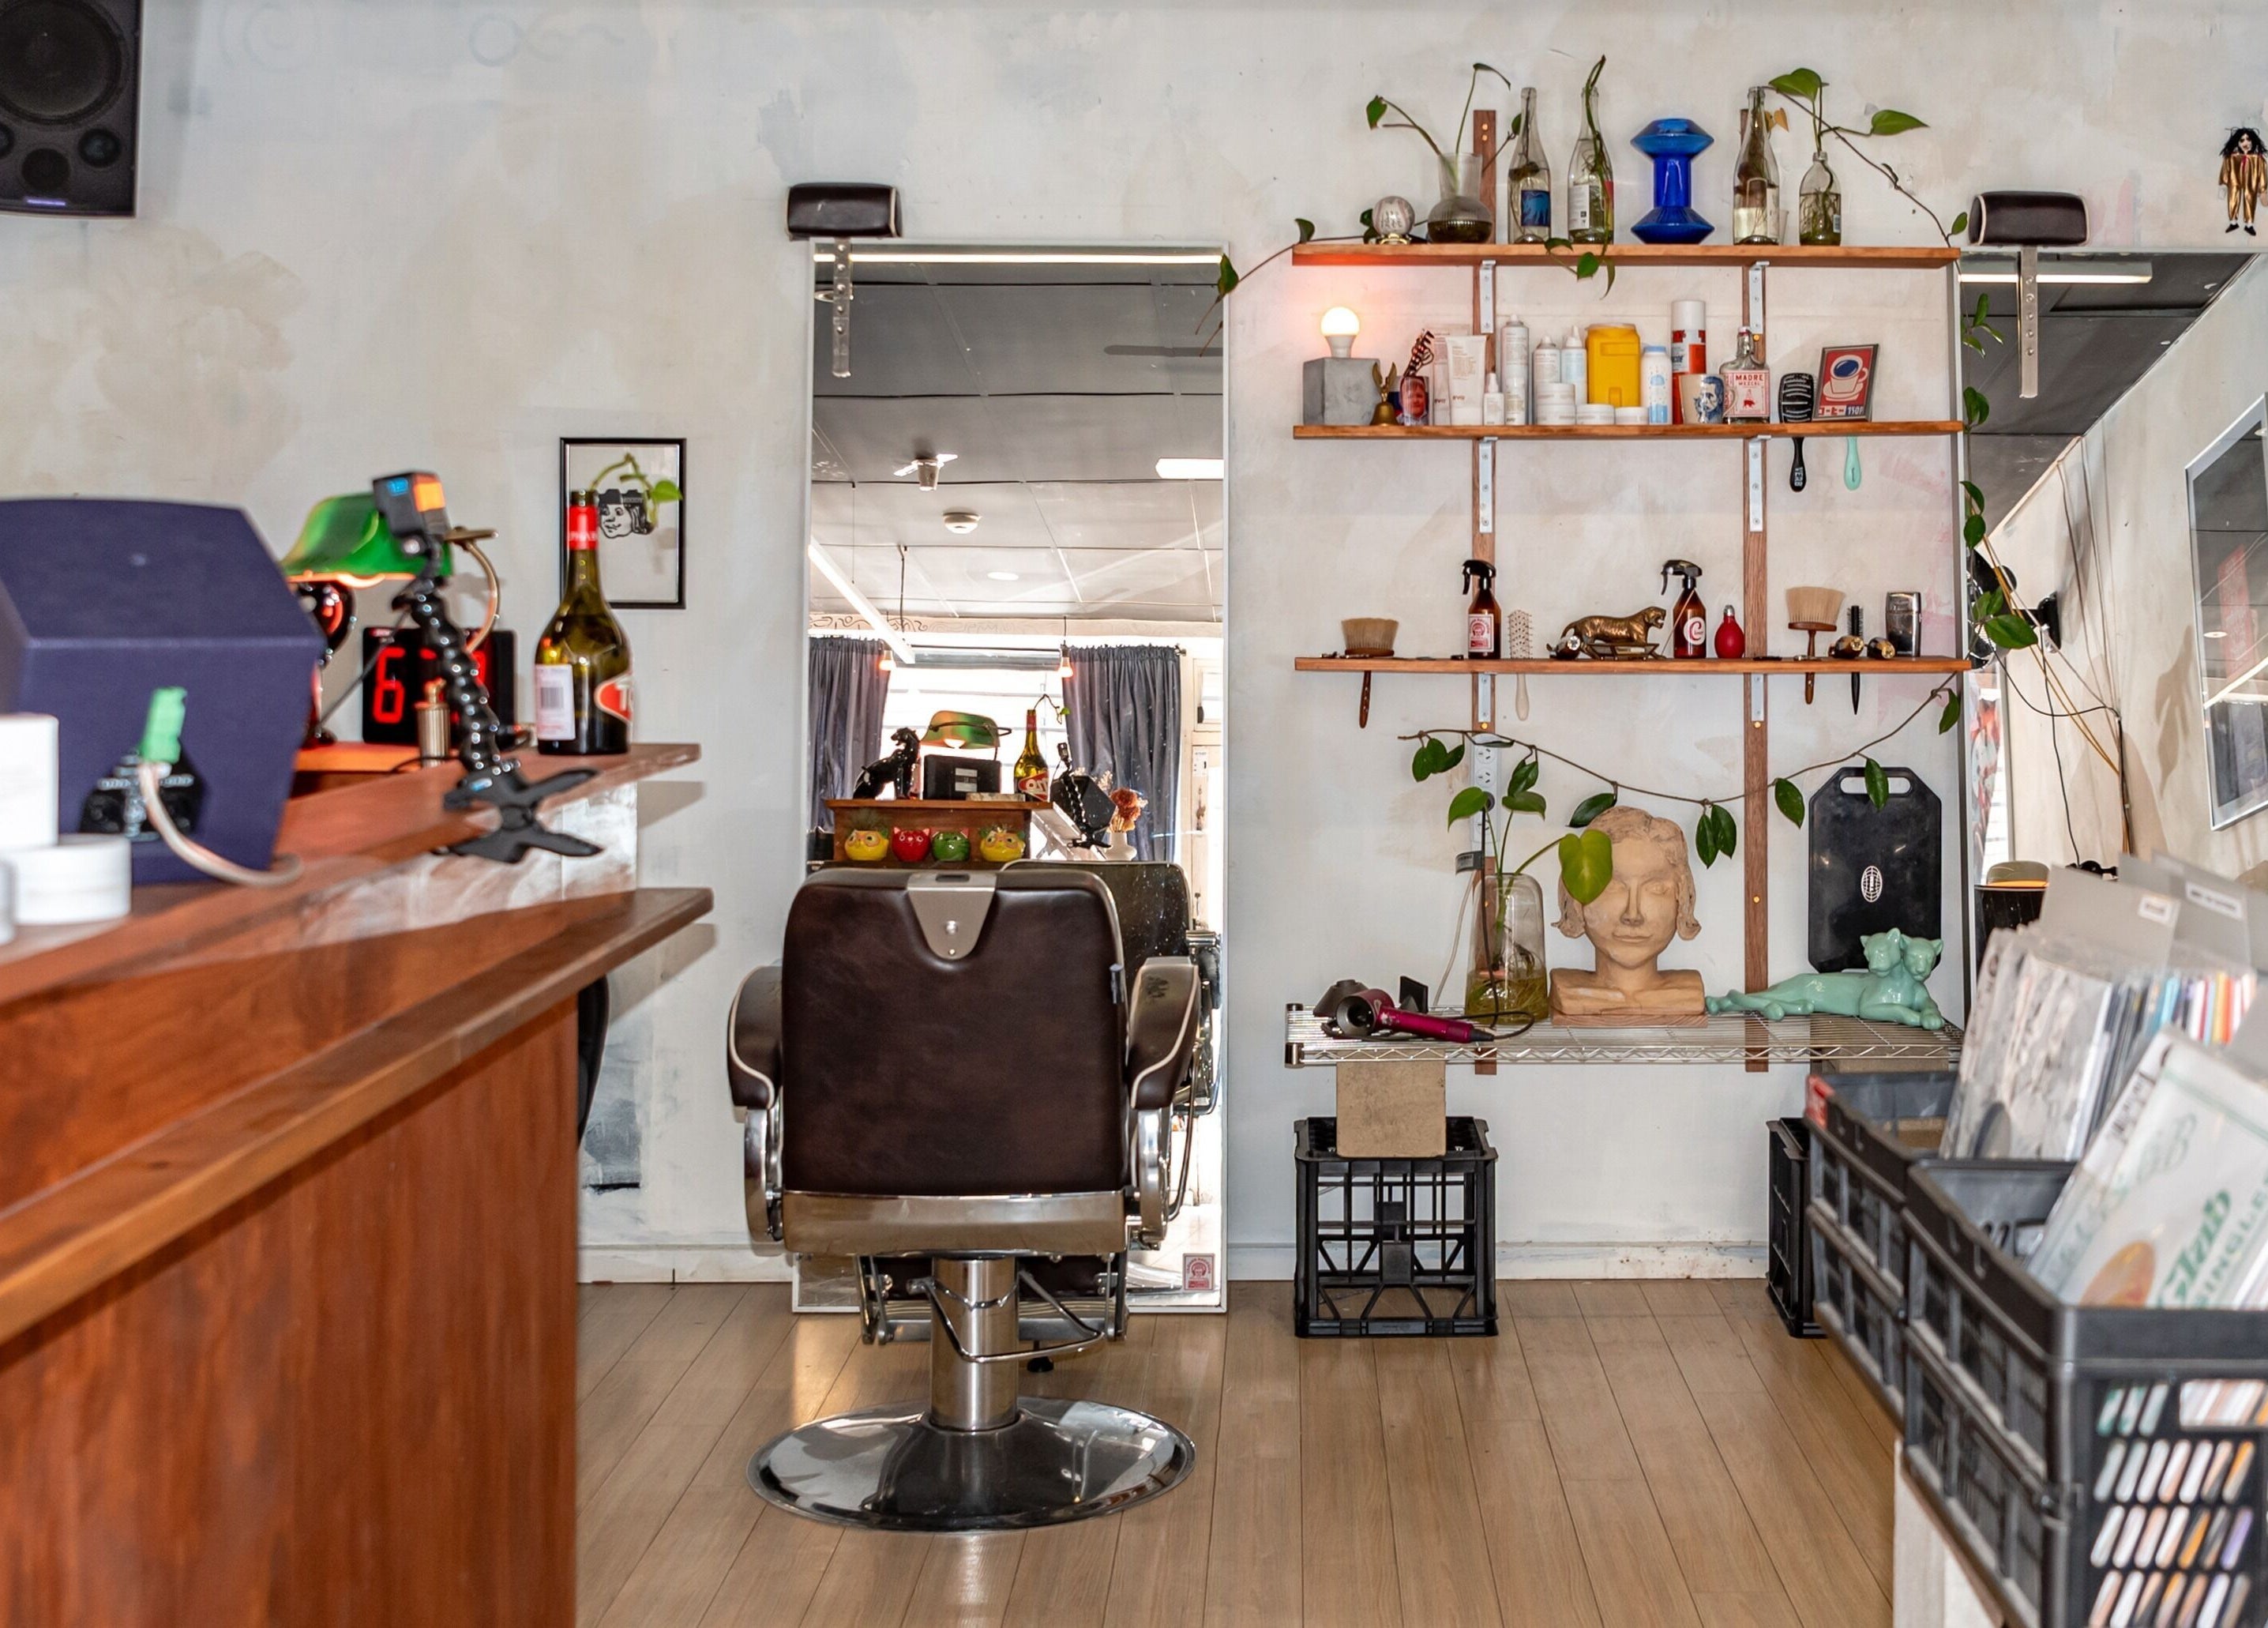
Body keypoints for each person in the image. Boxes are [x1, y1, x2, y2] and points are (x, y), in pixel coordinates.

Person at [1549, 804, 1705, 1021]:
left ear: (1682, 894)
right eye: (1612, 887)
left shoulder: (1689, 994)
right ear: (1577, 895)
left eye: (1656, 888)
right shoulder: (1567, 993)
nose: (1633, 915)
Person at [2222, 128, 2266, 235]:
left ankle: (2249, 225)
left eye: (2248, 139)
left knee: (2250, 198)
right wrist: (2224, 184)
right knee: (2233, 197)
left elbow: (2263, 173)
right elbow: (2226, 169)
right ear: (2237, 143)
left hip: (2251, 182)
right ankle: (2233, 222)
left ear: (2253, 141)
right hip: (2235, 181)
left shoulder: (2257, 159)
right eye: (2242, 140)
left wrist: (2262, 189)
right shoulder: (2232, 157)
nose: (2246, 143)